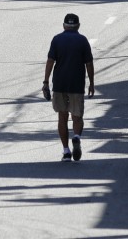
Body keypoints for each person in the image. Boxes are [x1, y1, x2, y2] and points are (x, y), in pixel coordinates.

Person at [43, 13, 95, 161]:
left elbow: (50, 61)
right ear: (78, 26)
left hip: (59, 84)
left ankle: (66, 151)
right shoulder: (82, 40)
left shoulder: (57, 39)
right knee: (77, 116)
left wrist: (46, 82)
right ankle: (77, 137)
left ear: (64, 25)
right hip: (77, 84)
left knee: (62, 117)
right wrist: (91, 83)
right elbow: (89, 64)